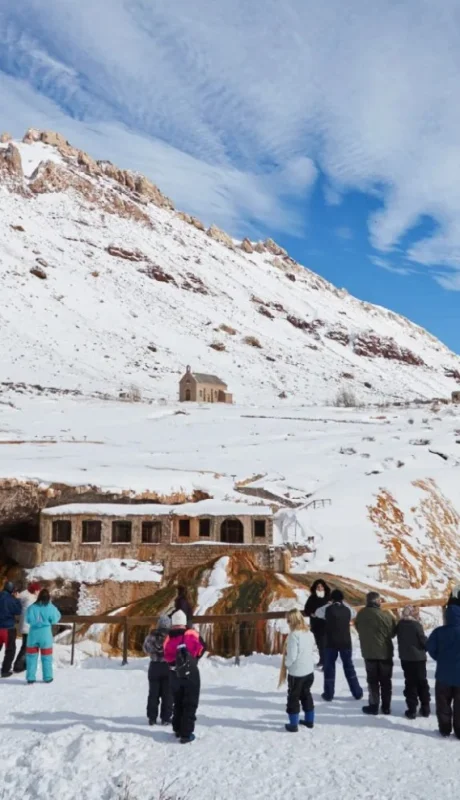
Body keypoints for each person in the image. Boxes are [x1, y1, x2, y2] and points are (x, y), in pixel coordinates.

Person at [164, 610, 206, 744]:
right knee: (190, 702)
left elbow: (166, 655)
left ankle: (177, 729)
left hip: (173, 672)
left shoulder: (168, 638)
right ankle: (186, 734)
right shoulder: (191, 634)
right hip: (190, 672)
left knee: (178, 701)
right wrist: (194, 659)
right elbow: (202, 648)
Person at [316, 589, 363, 702]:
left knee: (329, 668)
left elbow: (317, 612)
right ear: (342, 599)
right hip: (345, 642)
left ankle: (329, 694)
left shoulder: (327, 609)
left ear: (331, 599)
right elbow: (354, 613)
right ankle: (357, 692)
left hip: (330, 642)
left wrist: (329, 604)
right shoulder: (347, 610)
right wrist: (343, 603)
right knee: (349, 667)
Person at [355, 591, 396, 715]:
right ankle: (386, 706)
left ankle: (373, 705)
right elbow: (393, 633)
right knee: (386, 681)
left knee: (372, 681)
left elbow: (358, 628)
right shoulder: (386, 615)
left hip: (368, 653)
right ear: (378, 601)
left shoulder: (361, 614)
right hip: (385, 653)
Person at [427, 589, 460, 738]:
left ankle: (444, 729)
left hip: (443, 675)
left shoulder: (438, 632)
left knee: (443, 704)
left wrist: (441, 658)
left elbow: (430, 648)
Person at [396, 605, 430, 719]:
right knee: (422, 682)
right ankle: (425, 708)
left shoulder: (400, 625)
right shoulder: (416, 625)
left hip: (405, 658)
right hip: (418, 658)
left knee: (410, 683)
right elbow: (423, 640)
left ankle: (412, 709)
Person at [284, 609, 315, 732]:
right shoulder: (308, 632)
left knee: (293, 697)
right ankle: (309, 720)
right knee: (306, 694)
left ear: (292, 620)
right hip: (309, 670)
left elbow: (292, 656)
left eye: (288, 620)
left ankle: (293, 724)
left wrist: (286, 664)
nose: (287, 622)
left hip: (297, 672)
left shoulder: (293, 635)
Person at [25, 589, 61, 684]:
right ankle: (47, 677)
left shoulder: (31, 607)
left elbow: (27, 619)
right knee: (46, 657)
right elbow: (55, 618)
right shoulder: (50, 607)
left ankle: (30, 677)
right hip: (45, 635)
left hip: (33, 634)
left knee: (31, 657)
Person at [143, 614, 173, 726]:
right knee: (168, 694)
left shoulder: (151, 636)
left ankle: (152, 718)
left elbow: (145, 649)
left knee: (153, 694)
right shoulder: (171, 637)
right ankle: (166, 718)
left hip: (154, 666)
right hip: (168, 667)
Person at [13, 582, 41, 673]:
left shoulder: (28, 596)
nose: (39, 592)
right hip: (28, 626)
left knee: (27, 646)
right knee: (25, 646)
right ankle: (18, 666)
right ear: (35, 590)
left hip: (28, 626)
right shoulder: (29, 598)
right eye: (38, 590)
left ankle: (24, 664)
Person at [304, 579, 330, 668]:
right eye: (318, 586)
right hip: (316, 624)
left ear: (324, 587)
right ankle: (322, 660)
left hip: (327, 624)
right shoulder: (312, 598)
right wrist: (311, 613)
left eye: (321, 586)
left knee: (325, 644)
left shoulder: (329, 597)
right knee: (320, 644)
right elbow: (306, 609)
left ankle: (326, 663)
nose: (320, 588)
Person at [0, 581, 22, 678]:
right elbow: (18, 611)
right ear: (12, 590)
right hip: (8, 628)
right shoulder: (11, 600)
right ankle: (5, 670)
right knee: (10, 650)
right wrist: (17, 599)